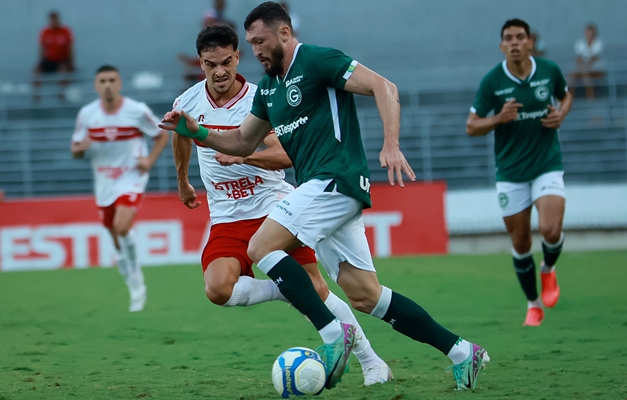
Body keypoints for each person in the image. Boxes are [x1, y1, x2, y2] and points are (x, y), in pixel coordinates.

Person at [160, 1, 488, 391]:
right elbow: (241, 141)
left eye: (260, 41)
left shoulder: (315, 60)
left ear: (284, 33)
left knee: (261, 247)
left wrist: (391, 144)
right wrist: (196, 133)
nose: (257, 51)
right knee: (366, 296)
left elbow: (384, 86)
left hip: (333, 179)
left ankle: (334, 336)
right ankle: (462, 352)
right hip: (322, 190)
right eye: (251, 44)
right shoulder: (269, 88)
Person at [171, 24, 392, 386]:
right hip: (226, 214)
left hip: (273, 207)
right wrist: (183, 180)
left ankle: (372, 362)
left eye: (226, 61)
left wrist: (246, 159)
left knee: (318, 292)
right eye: (211, 65)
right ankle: (286, 289)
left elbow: (284, 155)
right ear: (201, 63)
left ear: (237, 56)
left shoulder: (262, 98)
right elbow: (183, 134)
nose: (220, 71)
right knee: (217, 289)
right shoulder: (187, 102)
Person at [466, 19, 573, 326]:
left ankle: (549, 270)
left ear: (530, 42)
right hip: (511, 173)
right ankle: (533, 303)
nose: (514, 42)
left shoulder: (549, 71)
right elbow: (471, 126)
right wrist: (499, 117)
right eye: (508, 38)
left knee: (551, 230)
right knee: (522, 242)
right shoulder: (492, 81)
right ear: (502, 45)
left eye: (520, 37)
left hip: (546, 164)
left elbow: (566, 95)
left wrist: (561, 114)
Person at [71, 65, 169, 312]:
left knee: (122, 226)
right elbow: (75, 150)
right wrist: (79, 150)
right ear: (96, 85)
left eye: (112, 80)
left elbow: (162, 135)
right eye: (102, 80)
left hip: (131, 177)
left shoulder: (137, 111)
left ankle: (136, 280)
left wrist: (149, 161)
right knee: (115, 237)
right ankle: (130, 273)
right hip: (104, 181)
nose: (107, 85)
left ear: (120, 84)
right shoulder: (87, 114)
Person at [33, 11, 74, 101]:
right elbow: (42, 48)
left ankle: (61, 94)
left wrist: (71, 64)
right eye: (52, 20)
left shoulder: (65, 31)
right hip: (49, 60)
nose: (54, 21)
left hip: (61, 61)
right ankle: (37, 95)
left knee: (63, 70)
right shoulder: (45, 32)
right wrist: (41, 62)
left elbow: (70, 48)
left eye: (55, 19)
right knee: (36, 70)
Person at [569, 23, 605, 99]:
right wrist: (584, 66)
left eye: (590, 33)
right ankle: (569, 98)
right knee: (572, 77)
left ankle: (590, 97)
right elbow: (578, 58)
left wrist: (586, 66)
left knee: (586, 76)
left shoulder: (598, 43)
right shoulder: (580, 43)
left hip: (596, 69)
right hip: (583, 69)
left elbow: (595, 58)